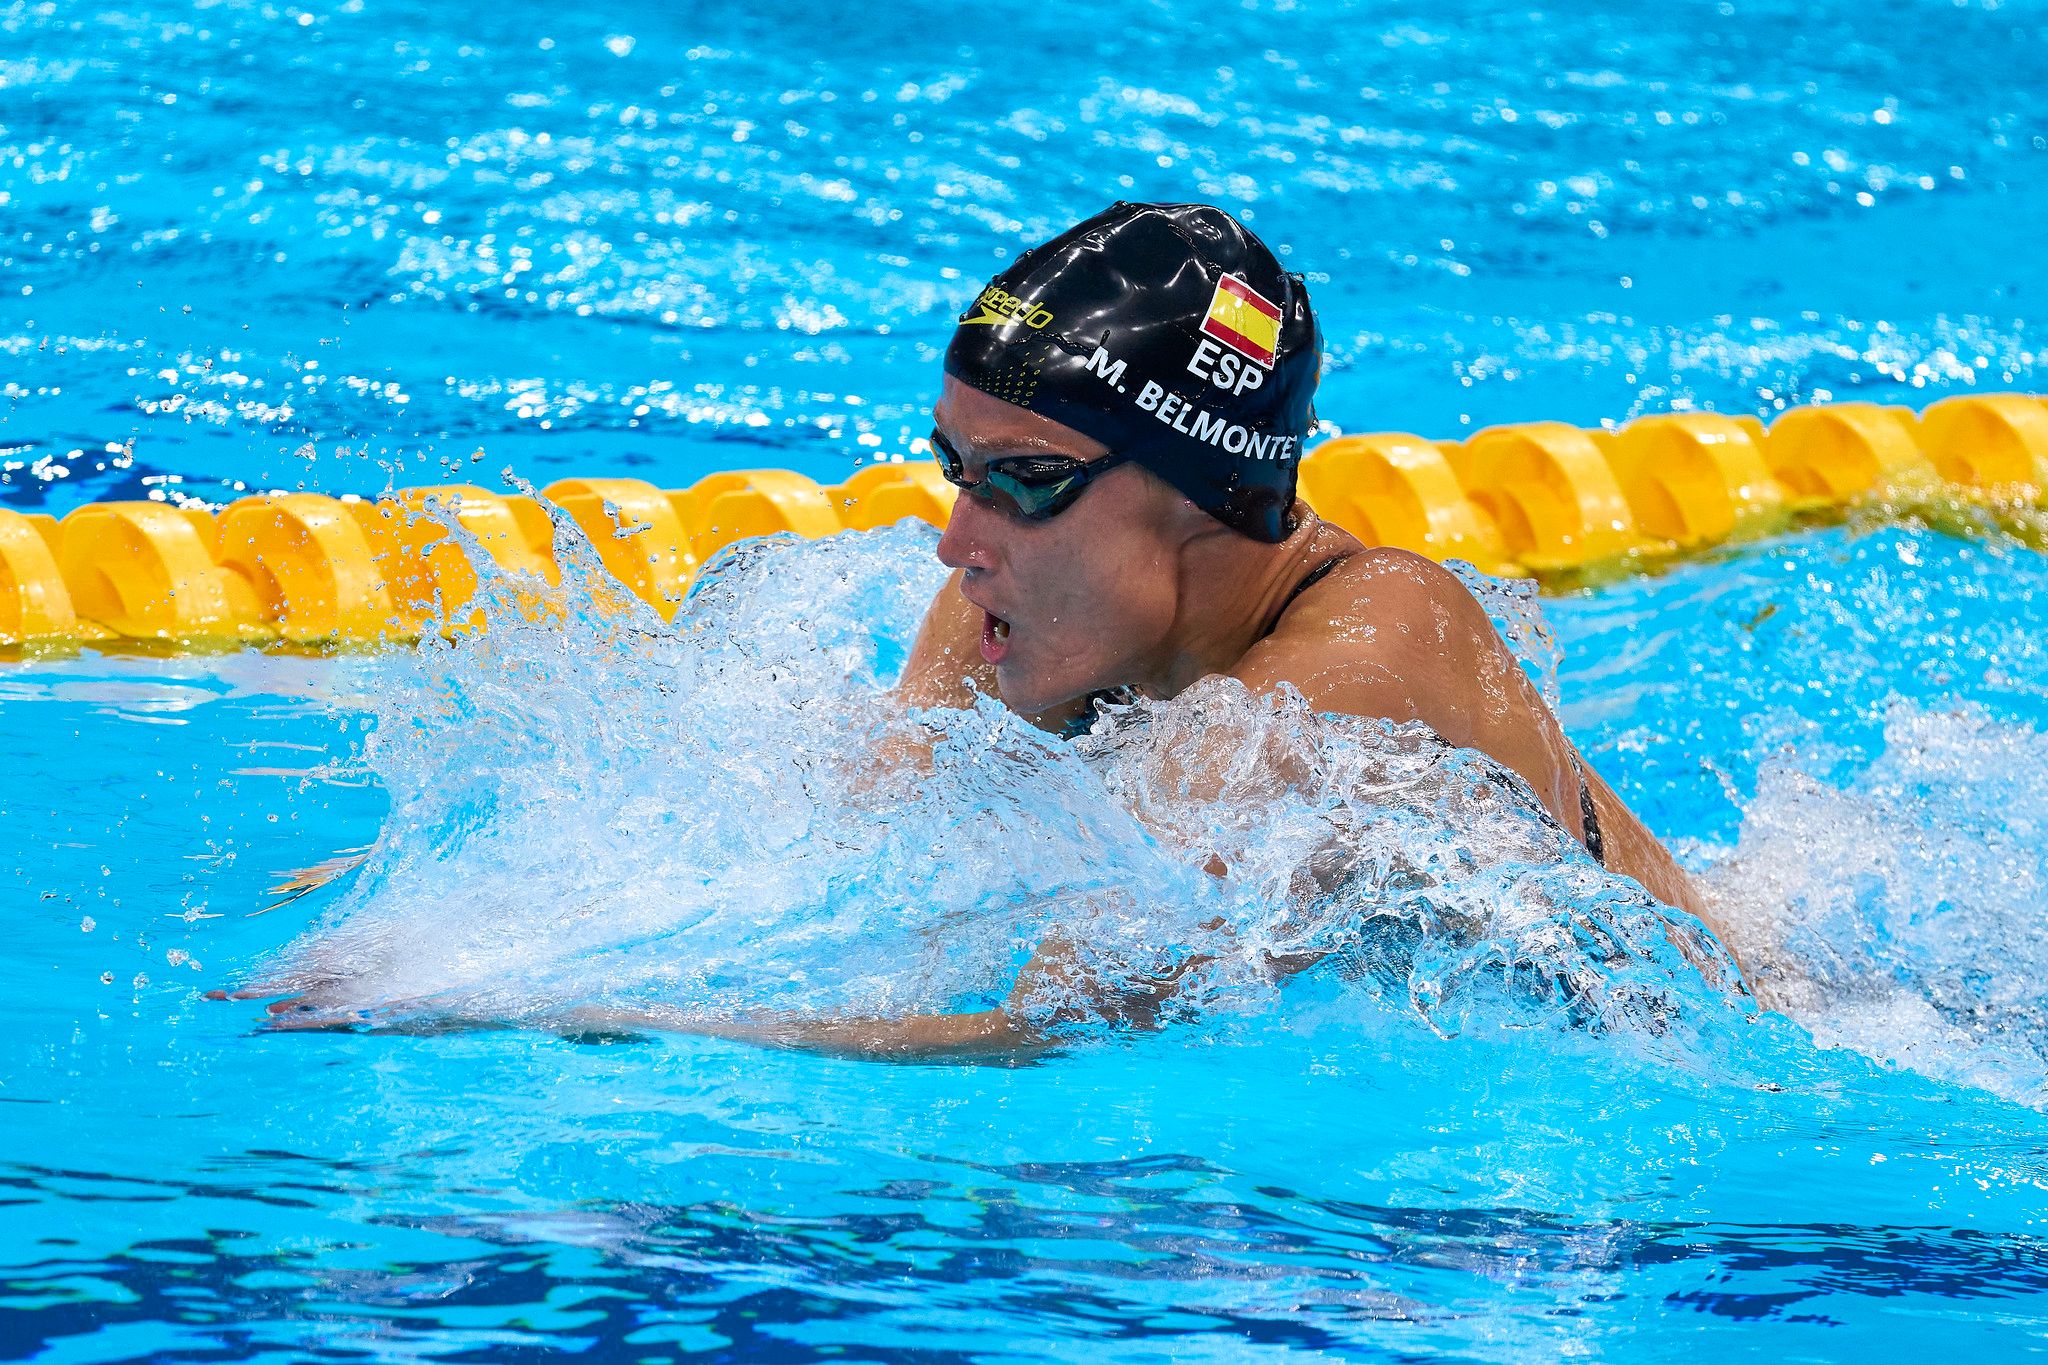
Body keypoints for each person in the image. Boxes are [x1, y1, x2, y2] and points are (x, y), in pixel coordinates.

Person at [247, 201, 1727, 1048]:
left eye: (1026, 482)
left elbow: (1042, 1022)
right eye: (959, 472)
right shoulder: (1026, 603)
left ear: (1203, 495)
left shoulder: (1369, 652)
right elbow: (855, 852)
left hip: (1734, 1049)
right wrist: (491, 891)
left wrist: (538, 1007)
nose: (960, 541)